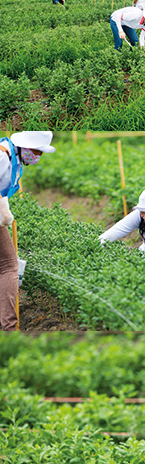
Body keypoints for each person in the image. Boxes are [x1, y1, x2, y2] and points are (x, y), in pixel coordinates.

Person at [0, 132, 55, 332]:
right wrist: (3, 209)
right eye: (36, 151)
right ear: (24, 146)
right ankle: (9, 327)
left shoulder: (12, 156)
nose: (37, 157)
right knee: (8, 266)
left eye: (40, 153)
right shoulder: (2, 155)